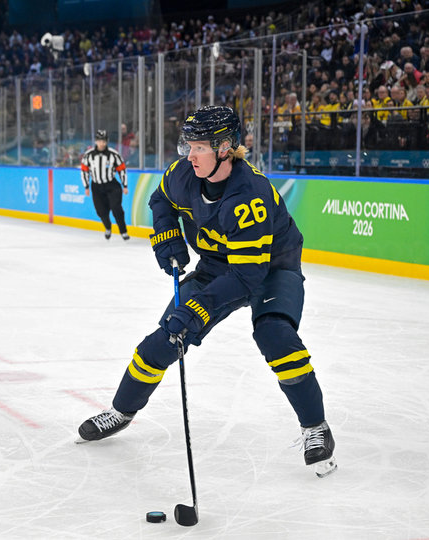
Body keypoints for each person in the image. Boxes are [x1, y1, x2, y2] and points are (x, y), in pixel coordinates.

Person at [78, 106, 337, 478]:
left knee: (275, 335)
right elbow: (160, 201)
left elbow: (247, 277)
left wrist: (196, 309)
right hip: (217, 265)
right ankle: (121, 412)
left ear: (226, 148)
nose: (189, 154)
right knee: (167, 335)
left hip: (271, 269)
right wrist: (166, 235)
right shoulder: (185, 173)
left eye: (199, 147)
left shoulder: (250, 197)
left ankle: (315, 427)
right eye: (188, 145)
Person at [80, 130, 130, 240]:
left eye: (103, 141)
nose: (101, 143)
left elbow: (122, 170)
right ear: (96, 141)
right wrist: (86, 186)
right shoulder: (88, 155)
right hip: (96, 186)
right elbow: (84, 171)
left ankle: (123, 231)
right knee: (101, 211)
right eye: (99, 141)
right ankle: (108, 227)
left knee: (116, 208)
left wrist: (124, 185)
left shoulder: (114, 154)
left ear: (107, 141)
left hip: (112, 185)